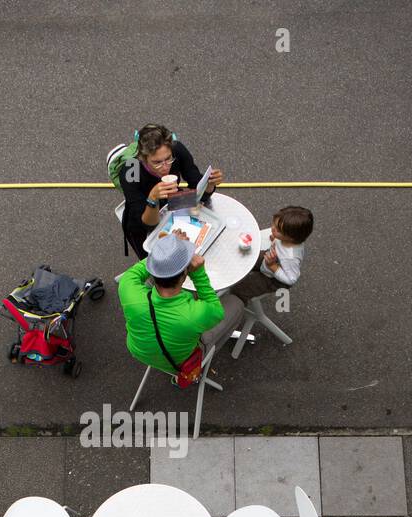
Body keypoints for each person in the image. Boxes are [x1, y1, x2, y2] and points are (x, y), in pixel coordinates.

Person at [119, 233, 244, 377]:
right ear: (185, 274)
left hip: (138, 351)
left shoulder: (127, 287)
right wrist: (198, 274)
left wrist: (163, 252)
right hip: (180, 364)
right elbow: (216, 310)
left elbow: (136, 272)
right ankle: (201, 360)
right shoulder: (194, 315)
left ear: (154, 272)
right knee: (236, 303)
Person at [118, 124, 224, 257]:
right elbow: (148, 225)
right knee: (156, 263)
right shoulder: (130, 170)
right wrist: (152, 198)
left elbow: (199, 191)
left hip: (174, 204)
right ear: (143, 158)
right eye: (157, 162)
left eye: (168, 159)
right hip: (143, 219)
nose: (165, 167)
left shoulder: (177, 149)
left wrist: (210, 184)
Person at [224, 206, 313, 303]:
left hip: (272, 279)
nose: (272, 228)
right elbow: (280, 242)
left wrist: (273, 266)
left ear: (291, 238)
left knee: (240, 288)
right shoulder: (289, 239)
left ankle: (236, 305)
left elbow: (291, 279)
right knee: (246, 256)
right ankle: (236, 270)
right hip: (270, 258)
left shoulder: (290, 258)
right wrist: (276, 238)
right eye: (274, 224)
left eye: (278, 230)